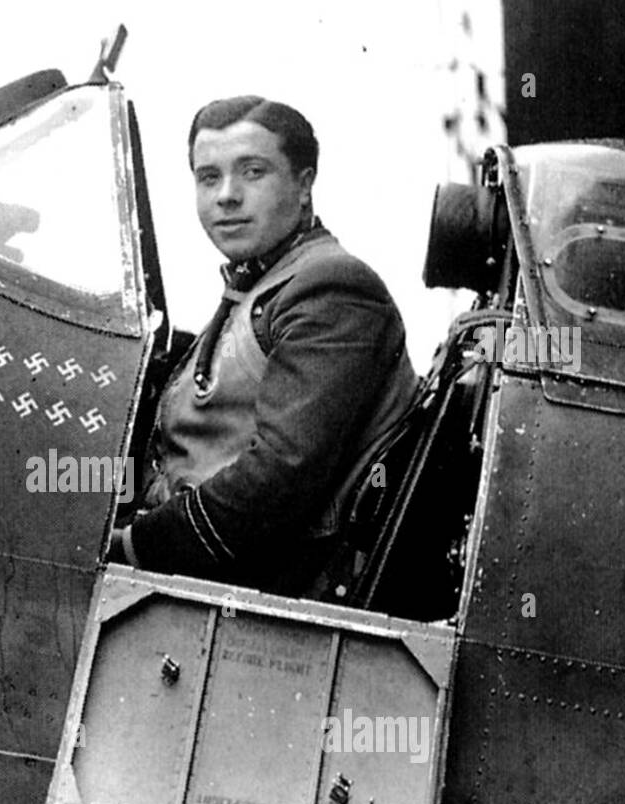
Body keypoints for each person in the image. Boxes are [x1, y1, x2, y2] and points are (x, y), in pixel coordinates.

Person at [108, 96, 419, 597]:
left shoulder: (329, 287)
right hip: (195, 559)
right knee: (38, 482)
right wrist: (59, 480)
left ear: (303, 185)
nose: (227, 195)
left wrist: (130, 547)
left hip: (249, 591)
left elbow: (278, 478)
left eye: (252, 172)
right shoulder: (262, 284)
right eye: (208, 177)